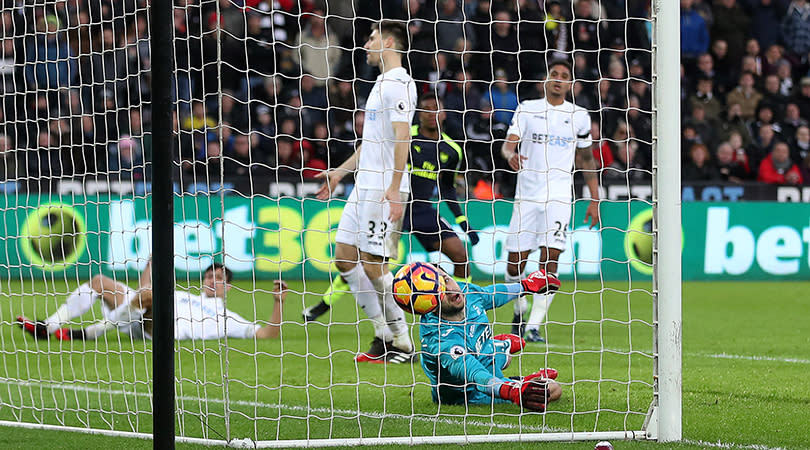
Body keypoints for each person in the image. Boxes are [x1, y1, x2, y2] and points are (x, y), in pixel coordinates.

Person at [302, 93, 480, 322]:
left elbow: (447, 188)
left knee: (460, 256)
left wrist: (463, 222)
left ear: (443, 113)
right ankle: (325, 303)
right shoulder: (406, 138)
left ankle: (458, 311)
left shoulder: (452, 150)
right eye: (425, 109)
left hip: (422, 210)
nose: (430, 113)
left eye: (435, 108)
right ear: (419, 114)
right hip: (393, 203)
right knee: (363, 261)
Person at [315, 20, 418, 363]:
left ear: (388, 41)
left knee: (375, 264)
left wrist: (393, 187)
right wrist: (339, 173)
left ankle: (402, 340)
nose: (366, 44)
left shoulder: (399, 83)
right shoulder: (380, 83)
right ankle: (382, 332)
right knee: (344, 255)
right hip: (364, 185)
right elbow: (373, 142)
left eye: (372, 38)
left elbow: (403, 136)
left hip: (384, 187)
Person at [500, 59, 600, 343]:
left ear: (571, 84)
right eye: (553, 74)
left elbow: (586, 158)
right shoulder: (527, 108)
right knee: (514, 264)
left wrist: (595, 198)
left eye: (564, 76)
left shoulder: (579, 115)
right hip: (527, 196)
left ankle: (533, 326)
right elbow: (509, 143)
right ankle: (519, 312)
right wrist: (510, 155)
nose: (558, 79)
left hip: (559, 197)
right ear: (545, 80)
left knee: (550, 260)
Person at [17, 258, 286, 341]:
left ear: (228, 288)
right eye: (209, 276)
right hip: (137, 314)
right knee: (100, 281)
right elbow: (142, 291)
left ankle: (86, 333)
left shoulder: (228, 318)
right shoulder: (183, 294)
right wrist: (151, 263)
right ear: (202, 281)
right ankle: (49, 327)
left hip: (162, 331)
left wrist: (278, 302)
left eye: (219, 279)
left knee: (152, 295)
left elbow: (266, 334)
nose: (213, 281)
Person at [419, 264, 562, 410]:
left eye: (446, 279)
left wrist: (526, 286)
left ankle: (496, 347)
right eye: (440, 292)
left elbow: (492, 294)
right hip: (470, 394)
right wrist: (512, 391)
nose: (450, 290)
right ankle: (517, 382)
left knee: (514, 348)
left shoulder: (465, 292)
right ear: (429, 304)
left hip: (478, 354)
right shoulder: (441, 340)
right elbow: (475, 374)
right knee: (554, 388)